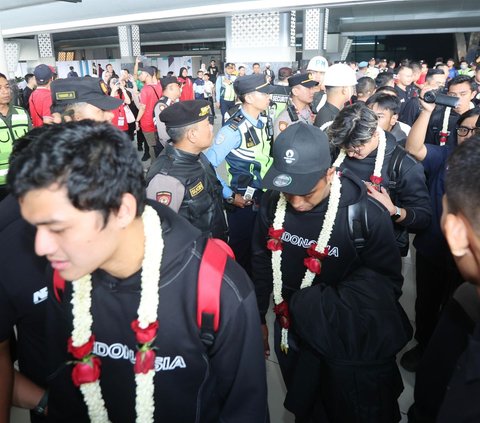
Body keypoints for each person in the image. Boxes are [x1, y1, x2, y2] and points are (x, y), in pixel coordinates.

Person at [7, 120, 269, 423]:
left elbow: (245, 410)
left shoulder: (216, 288)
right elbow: (65, 388)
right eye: (35, 227)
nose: (41, 247)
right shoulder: (64, 278)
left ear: (122, 210)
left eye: (58, 227)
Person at [252, 122, 412, 422]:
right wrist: (259, 317)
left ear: (329, 173)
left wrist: (327, 311)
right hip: (288, 329)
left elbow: (387, 287)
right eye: (288, 191)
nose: (296, 202)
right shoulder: (273, 203)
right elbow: (261, 258)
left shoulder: (364, 214)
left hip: (342, 340)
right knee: (304, 404)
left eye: (307, 192)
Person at [0, 77, 125, 422]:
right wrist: (44, 402)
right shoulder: (13, 223)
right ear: (63, 120)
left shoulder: (116, 192)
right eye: (99, 113)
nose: (111, 120)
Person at [401, 103, 480, 372]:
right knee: (426, 302)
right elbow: (413, 148)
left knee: (459, 308)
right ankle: (423, 345)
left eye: (476, 130)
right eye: (464, 129)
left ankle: (450, 353)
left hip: (470, 256)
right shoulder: (444, 155)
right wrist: (426, 111)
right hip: (433, 248)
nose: (468, 134)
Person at [329, 102, 431, 257]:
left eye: (357, 148)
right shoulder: (336, 150)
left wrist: (394, 211)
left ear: (375, 133)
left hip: (379, 250)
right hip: (335, 239)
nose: (350, 154)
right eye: (346, 149)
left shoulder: (403, 165)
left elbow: (423, 218)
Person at [206, 74, 274, 275]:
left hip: (264, 194)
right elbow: (207, 166)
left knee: (260, 247)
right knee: (241, 251)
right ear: (249, 98)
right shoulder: (233, 130)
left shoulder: (263, 120)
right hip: (243, 200)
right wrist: (228, 195)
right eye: (265, 93)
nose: (269, 96)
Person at [146, 100, 228, 240]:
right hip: (195, 256)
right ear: (192, 135)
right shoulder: (166, 180)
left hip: (213, 247)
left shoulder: (198, 156)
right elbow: (160, 238)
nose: (211, 127)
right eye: (206, 124)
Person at [0, 72, 31, 201]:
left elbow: (31, 142)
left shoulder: (21, 112)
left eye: (7, 87)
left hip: (23, 178)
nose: (5, 91)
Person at [313, 63, 357, 131]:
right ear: (344, 89)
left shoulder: (329, 112)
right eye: (352, 87)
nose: (353, 90)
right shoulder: (330, 121)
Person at [273, 72, 317, 139]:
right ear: (295, 91)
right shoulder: (285, 119)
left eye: (312, 88)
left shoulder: (309, 112)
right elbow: (281, 147)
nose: (312, 91)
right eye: (309, 88)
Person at [136, 66, 163, 162]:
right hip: (158, 121)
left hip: (147, 122)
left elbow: (142, 107)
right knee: (159, 146)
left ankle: (155, 169)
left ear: (147, 74)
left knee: (152, 147)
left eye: (141, 74)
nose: (140, 76)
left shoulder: (145, 89)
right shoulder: (159, 86)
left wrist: (137, 120)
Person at [152, 76, 182, 151]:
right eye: (178, 86)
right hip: (168, 148)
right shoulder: (162, 105)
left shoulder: (172, 102)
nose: (180, 88)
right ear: (171, 87)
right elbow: (164, 136)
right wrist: (174, 151)